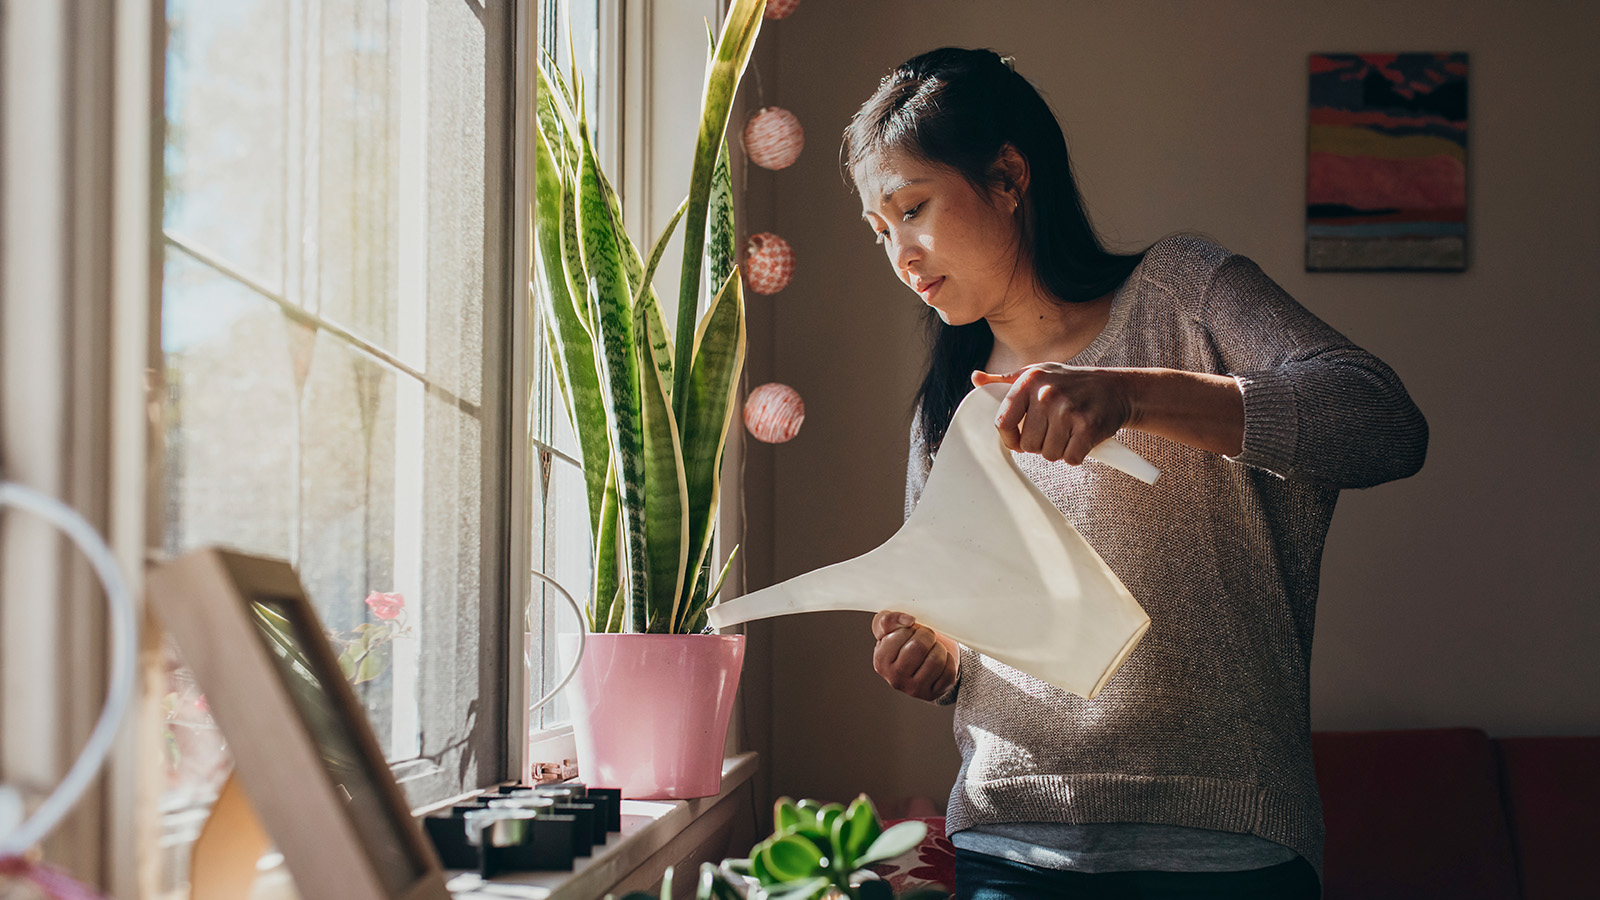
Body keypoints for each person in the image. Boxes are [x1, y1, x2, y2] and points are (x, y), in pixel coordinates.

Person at [846, 48, 1428, 899]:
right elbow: (959, 623)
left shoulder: (1185, 294)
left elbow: (1382, 421)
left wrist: (1128, 395)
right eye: (879, 230)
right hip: (1008, 844)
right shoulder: (946, 405)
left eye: (912, 208)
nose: (900, 252)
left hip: (1226, 845)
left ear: (1009, 175)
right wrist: (933, 651)